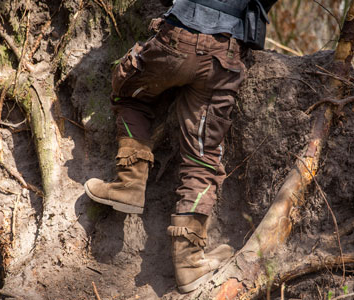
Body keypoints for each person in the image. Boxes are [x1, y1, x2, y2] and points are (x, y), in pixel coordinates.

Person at [84, 0, 277, 293]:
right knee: (203, 153)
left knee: (129, 93)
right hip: (226, 55)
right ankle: (188, 263)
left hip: (178, 38)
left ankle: (130, 183)